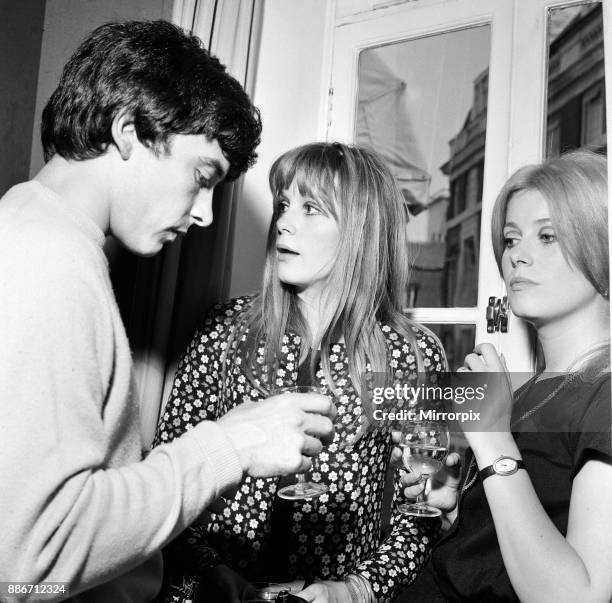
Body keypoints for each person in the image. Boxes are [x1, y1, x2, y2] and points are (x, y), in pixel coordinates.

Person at [0, 21, 335, 602]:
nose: (205, 214)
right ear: (128, 131)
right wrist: (227, 447)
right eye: (202, 176)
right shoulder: (45, 260)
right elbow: (27, 567)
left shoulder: (46, 240)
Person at [153, 142, 447, 603]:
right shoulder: (225, 331)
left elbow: (424, 511)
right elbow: (168, 474)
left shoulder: (409, 354)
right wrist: (215, 580)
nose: (285, 222)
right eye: (284, 205)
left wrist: (354, 591)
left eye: (311, 209)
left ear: (361, 231)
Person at [399, 149, 612, 602]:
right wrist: (460, 512)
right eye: (512, 239)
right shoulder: (529, 391)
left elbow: (579, 595)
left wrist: (493, 440)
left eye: (548, 236)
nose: (518, 256)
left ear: (602, 246)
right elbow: (519, 547)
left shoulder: (605, 394)